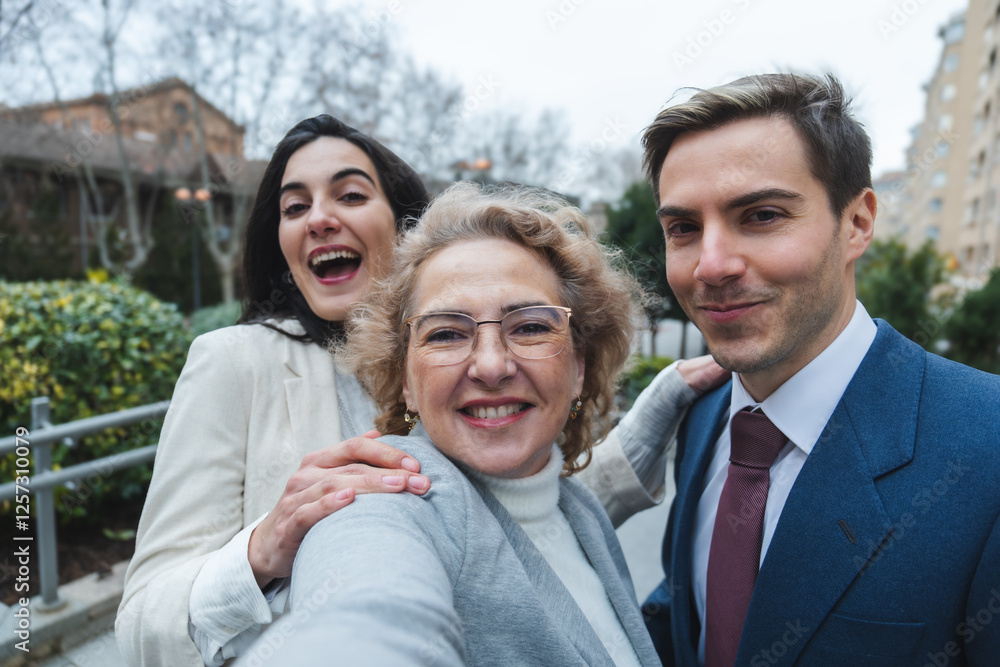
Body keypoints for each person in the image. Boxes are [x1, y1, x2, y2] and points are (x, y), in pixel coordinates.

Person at [613, 73, 999, 666]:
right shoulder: (703, 413)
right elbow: (692, 612)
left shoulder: (986, 445)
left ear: (858, 223)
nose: (710, 266)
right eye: (683, 228)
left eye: (762, 215)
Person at [236, 182, 694, 666]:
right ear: (406, 378)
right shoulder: (389, 505)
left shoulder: (581, 514)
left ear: (578, 368)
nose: (491, 366)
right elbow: (363, 611)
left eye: (532, 326)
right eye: (447, 334)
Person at [116, 115, 435, 667]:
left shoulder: (452, 361)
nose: (318, 219)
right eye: (294, 207)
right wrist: (261, 553)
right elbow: (143, 626)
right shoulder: (232, 363)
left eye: (350, 194)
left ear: (407, 227)